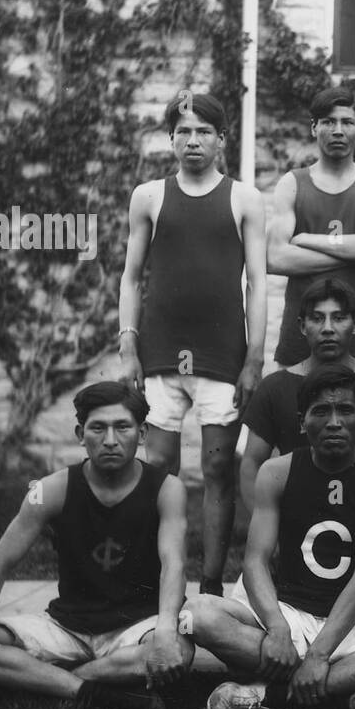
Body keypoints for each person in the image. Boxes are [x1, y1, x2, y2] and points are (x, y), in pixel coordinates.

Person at [192, 366, 355, 709]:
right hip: (293, 613)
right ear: (302, 421)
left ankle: (272, 695)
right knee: (197, 614)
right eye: (321, 411)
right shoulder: (276, 472)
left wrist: (320, 654)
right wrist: (277, 627)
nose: (334, 422)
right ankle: (341, 688)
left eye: (346, 411)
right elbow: (255, 561)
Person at [0, 383, 190, 709]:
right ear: (79, 433)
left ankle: (52, 682)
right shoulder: (52, 489)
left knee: (181, 650)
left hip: (136, 627)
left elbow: (174, 564)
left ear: (142, 433)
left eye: (122, 427)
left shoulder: (166, 489)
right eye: (98, 428)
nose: (111, 440)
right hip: (67, 627)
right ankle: (89, 691)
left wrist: (166, 631)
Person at [118, 92, 267, 598]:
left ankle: (209, 585)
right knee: (158, 466)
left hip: (221, 358)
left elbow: (259, 283)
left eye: (204, 131)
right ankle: (158, 578)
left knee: (217, 468)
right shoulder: (149, 196)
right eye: (184, 131)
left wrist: (254, 356)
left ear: (221, 139)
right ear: (171, 139)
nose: (193, 140)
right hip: (161, 355)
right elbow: (131, 276)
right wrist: (128, 346)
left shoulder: (244, 198)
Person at [239, 277, 355, 580]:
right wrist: (267, 530)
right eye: (317, 318)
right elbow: (251, 464)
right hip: (297, 523)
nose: (327, 328)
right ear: (301, 326)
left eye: (339, 317)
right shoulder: (275, 387)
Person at [267, 86, 355, 367]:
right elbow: (275, 258)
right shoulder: (292, 183)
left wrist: (308, 239)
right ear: (314, 128)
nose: (338, 130)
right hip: (301, 334)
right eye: (328, 122)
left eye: (347, 122)